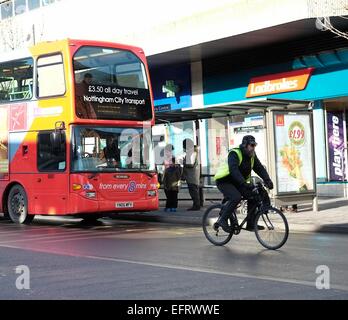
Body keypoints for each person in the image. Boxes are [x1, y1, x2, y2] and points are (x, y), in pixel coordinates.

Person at [214, 135, 274, 232]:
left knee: (254, 195)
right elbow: (234, 171)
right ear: (245, 145)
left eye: (254, 145)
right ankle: (223, 220)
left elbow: (259, 168)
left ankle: (250, 224)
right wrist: (244, 183)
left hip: (237, 182)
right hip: (224, 181)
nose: (253, 148)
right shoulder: (234, 153)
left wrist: (268, 180)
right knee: (236, 197)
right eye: (251, 145)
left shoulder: (252, 156)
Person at [182, 139, 201, 211]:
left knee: (193, 191)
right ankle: (197, 204)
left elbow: (190, 164)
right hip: (192, 175)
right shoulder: (193, 151)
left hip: (192, 175)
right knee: (194, 190)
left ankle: (196, 205)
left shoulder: (192, 152)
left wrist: (183, 162)